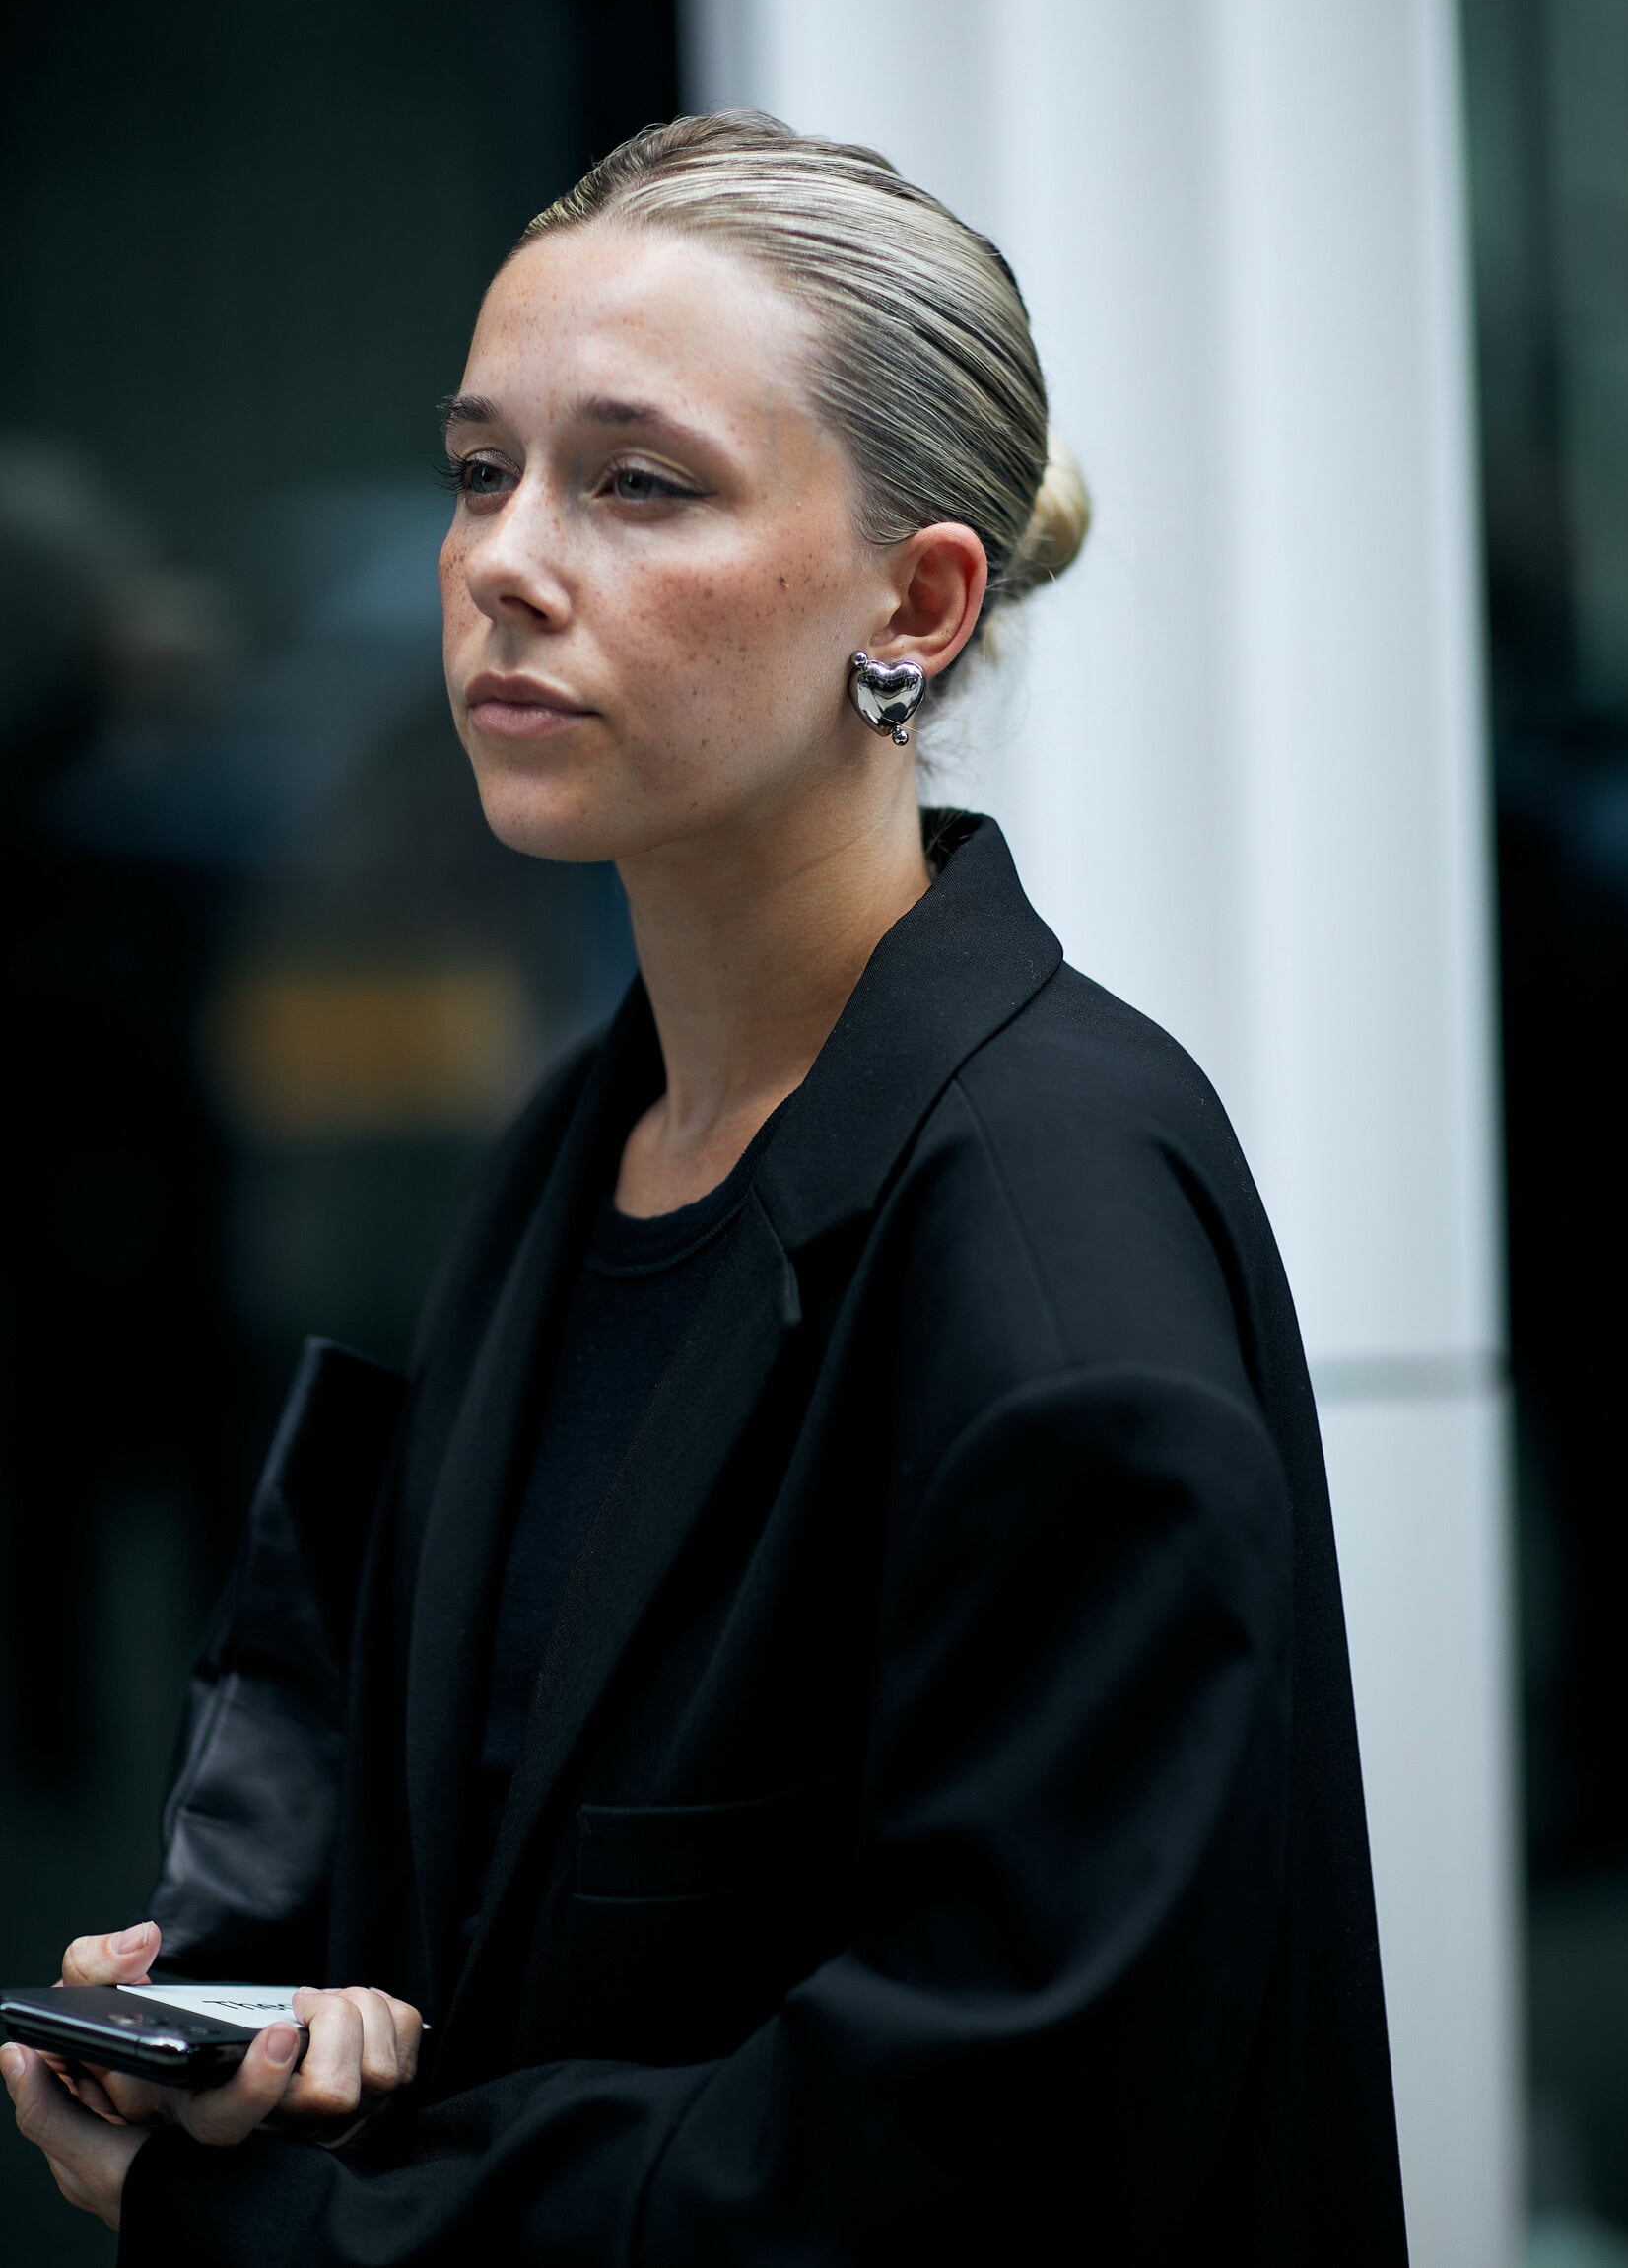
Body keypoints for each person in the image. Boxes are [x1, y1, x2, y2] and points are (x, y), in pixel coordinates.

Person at [2, 111, 1407, 2264]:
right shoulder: (583, 1144)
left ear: (916, 604)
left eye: (637, 482)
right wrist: (279, 2012)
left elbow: (1001, 2152)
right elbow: (522, 1896)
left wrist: (291, 2236)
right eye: (480, 468)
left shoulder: (1049, 1228)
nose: (505, 559)